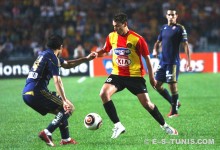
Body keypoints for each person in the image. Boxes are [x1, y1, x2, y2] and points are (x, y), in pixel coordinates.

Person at [96, 12, 178, 139]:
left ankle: (165, 126)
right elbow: (105, 50)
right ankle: (118, 125)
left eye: (117, 26)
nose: (115, 29)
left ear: (125, 24)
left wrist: (151, 78)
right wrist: (96, 54)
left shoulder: (137, 39)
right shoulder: (111, 36)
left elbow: (147, 59)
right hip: (117, 74)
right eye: (114, 26)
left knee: (147, 104)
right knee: (103, 94)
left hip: (135, 77)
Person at [22, 34, 97, 147]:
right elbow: (57, 81)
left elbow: (67, 64)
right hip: (37, 92)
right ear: (61, 47)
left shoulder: (45, 54)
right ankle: (47, 132)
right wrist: (64, 99)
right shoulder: (52, 57)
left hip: (27, 94)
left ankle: (66, 139)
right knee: (69, 107)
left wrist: (86, 59)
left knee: (60, 111)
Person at [152, 8, 192, 118]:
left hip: (173, 62)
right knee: (156, 85)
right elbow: (157, 42)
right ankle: (174, 102)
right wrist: (155, 50)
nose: (171, 16)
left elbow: (186, 45)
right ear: (166, 16)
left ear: (176, 16)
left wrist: (189, 62)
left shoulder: (180, 29)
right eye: (169, 15)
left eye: (173, 15)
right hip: (163, 62)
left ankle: (174, 111)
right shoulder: (164, 28)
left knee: (172, 86)